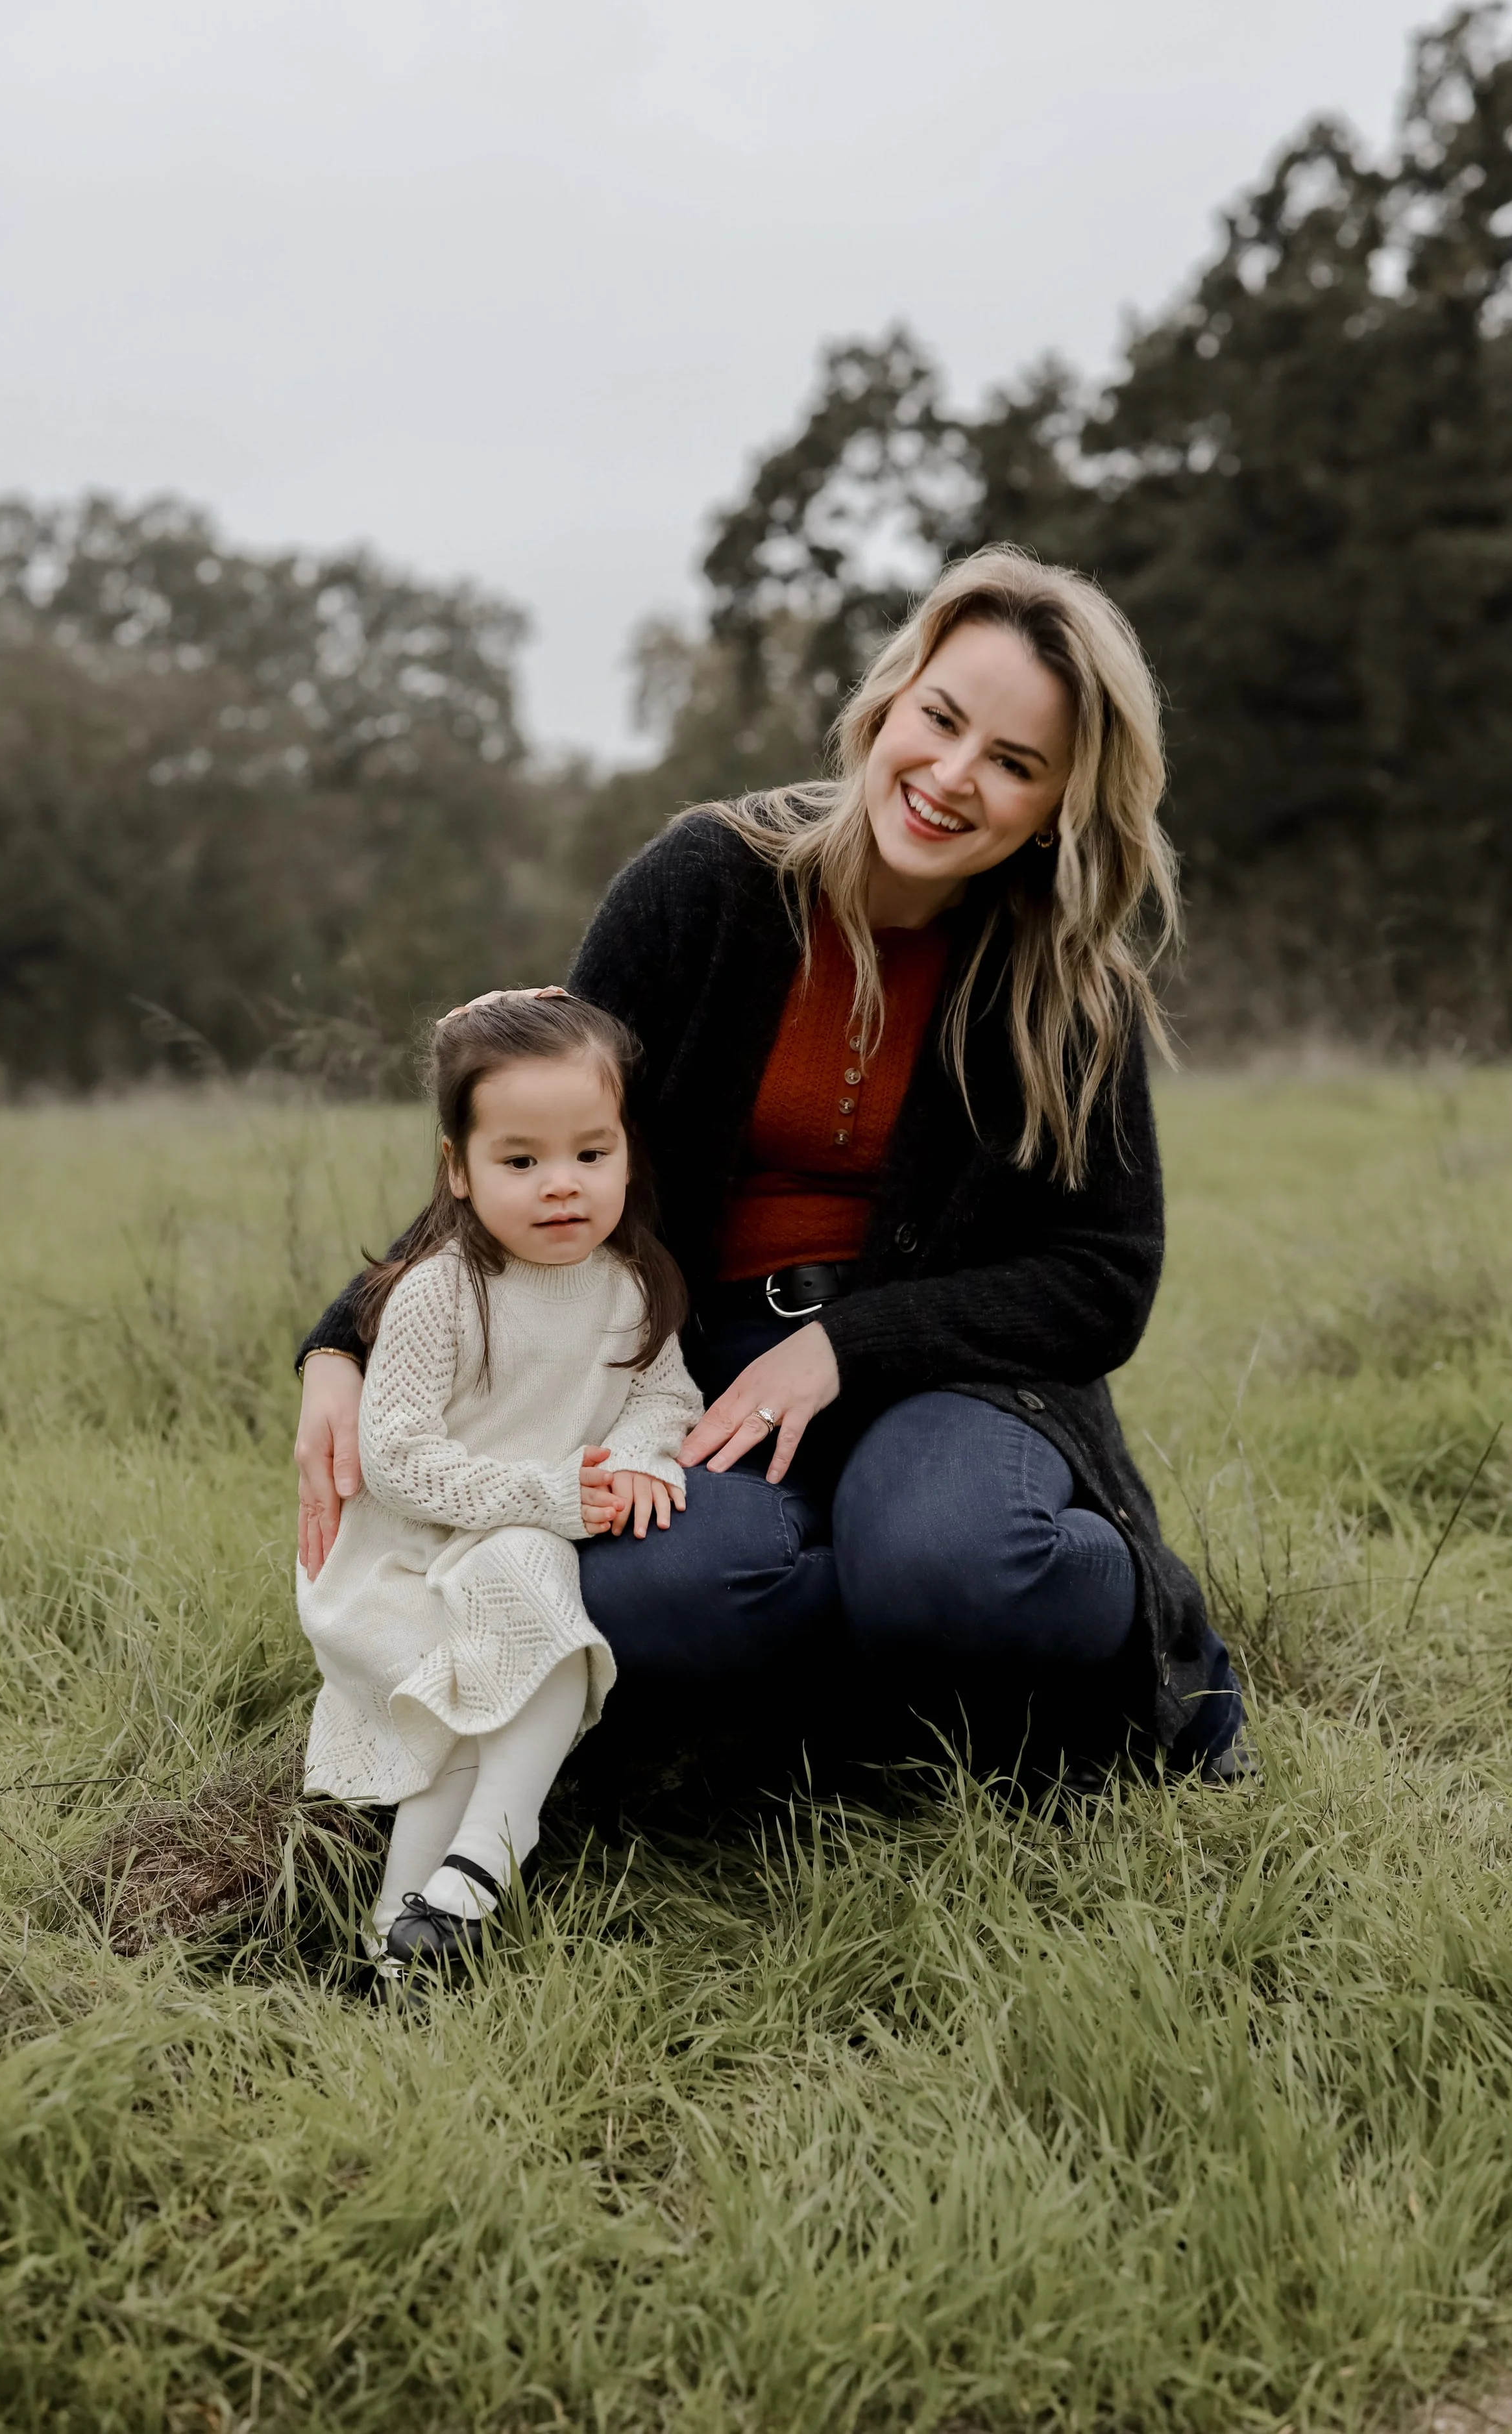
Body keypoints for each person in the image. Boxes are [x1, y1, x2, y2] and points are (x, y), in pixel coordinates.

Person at [297, 544, 1247, 1801]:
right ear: (888, 700)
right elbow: (546, 1142)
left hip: (952, 1381)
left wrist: (847, 1343)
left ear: (1060, 802)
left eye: (1013, 764)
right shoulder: (708, 883)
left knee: (955, 1562)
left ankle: (1114, 1641)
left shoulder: (1065, 986)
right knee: (651, 1586)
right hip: (695, 1367)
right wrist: (344, 1343)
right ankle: (920, 1703)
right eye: (941, 720)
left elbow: (1103, 1280)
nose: (953, 777)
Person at [296, 992, 700, 1974]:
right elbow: (395, 1458)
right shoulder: (441, 1289)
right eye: (521, 1161)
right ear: (460, 1171)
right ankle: (475, 1874)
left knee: (528, 1644)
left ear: (626, 1154)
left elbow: (666, 1393)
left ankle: (409, 1943)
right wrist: (555, 1494)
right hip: (406, 1554)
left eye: (590, 1155)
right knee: (493, 1674)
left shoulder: (632, 1282)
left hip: (510, 1548)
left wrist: (643, 1459)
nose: (561, 1185)